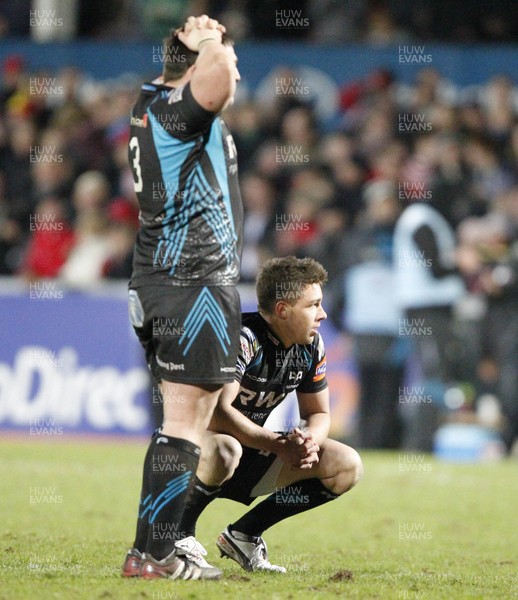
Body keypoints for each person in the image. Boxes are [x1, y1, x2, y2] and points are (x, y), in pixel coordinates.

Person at [130, 256, 362, 573]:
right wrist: (278, 443)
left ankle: (244, 534)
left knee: (347, 465)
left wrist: (309, 441)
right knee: (226, 448)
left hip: (252, 447)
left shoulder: (310, 345)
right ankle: (180, 537)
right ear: (283, 310)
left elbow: (319, 412)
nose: (322, 315)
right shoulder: (240, 338)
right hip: (197, 450)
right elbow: (217, 413)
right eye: (313, 305)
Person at [122, 14, 243, 581]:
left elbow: (203, 79)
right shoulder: (178, 112)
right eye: (226, 57)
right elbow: (217, 79)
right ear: (194, 69)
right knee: (185, 426)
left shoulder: (153, 103)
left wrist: (188, 51)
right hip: (192, 284)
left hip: (162, 280)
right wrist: (208, 42)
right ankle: (156, 556)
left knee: (183, 420)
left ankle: (147, 553)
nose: (234, 66)